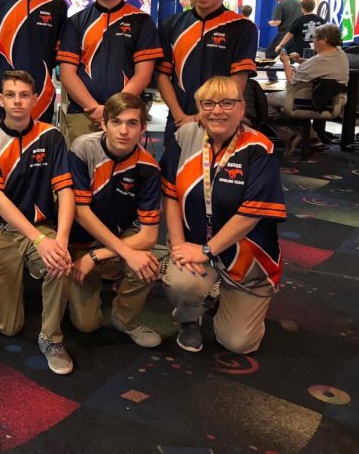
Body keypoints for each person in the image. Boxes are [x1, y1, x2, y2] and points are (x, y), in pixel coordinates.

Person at [162, 76, 286, 354]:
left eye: (227, 103)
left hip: (247, 254)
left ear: (242, 108)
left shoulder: (258, 148)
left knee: (239, 344)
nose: (217, 110)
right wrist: (179, 244)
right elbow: (170, 194)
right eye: (208, 103)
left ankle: (228, 297)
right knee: (181, 283)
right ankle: (189, 316)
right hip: (194, 245)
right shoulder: (185, 137)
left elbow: (250, 215)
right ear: (199, 109)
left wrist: (207, 251)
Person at [0, 69, 75, 374]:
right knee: (8, 328)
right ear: (1, 100)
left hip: (41, 226)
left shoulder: (51, 136)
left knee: (60, 262)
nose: (18, 101)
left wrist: (60, 241)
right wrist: (40, 241)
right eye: (11, 95)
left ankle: (51, 337)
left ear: (36, 100)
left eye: (24, 95)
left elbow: (65, 190)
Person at [60, 93, 162, 359]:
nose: (124, 131)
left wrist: (98, 256)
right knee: (86, 325)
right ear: (104, 124)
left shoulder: (149, 167)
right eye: (116, 122)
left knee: (151, 260)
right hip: (79, 238)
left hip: (112, 240)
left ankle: (123, 318)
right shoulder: (83, 147)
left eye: (132, 123)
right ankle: (89, 276)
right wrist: (96, 254)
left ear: (143, 128)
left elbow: (149, 235)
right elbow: (81, 213)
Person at [58, 0, 162, 143]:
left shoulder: (141, 21)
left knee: (126, 172)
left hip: (126, 116)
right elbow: (67, 74)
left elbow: (143, 74)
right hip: (84, 115)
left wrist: (112, 110)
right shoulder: (76, 22)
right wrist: (96, 110)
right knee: (83, 171)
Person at [156, 0, 258, 147]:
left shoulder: (242, 27)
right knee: (174, 175)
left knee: (216, 176)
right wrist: (181, 117)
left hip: (220, 121)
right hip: (179, 119)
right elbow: (163, 76)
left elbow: (238, 81)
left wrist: (202, 118)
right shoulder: (172, 25)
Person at [268, 23, 350, 152]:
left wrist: (286, 63)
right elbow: (318, 66)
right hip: (333, 100)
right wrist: (300, 60)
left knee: (263, 101)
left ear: (325, 40)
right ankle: (311, 138)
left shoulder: (319, 60)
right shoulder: (340, 54)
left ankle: (289, 135)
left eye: (315, 37)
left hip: (307, 100)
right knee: (284, 105)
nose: (313, 41)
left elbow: (292, 81)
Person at [264, 0, 301, 83]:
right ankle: (295, 80)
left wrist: (271, 23)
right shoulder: (298, 3)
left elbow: (277, 22)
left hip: (284, 34)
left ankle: (273, 80)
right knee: (293, 58)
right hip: (297, 35)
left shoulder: (280, 5)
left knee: (269, 54)